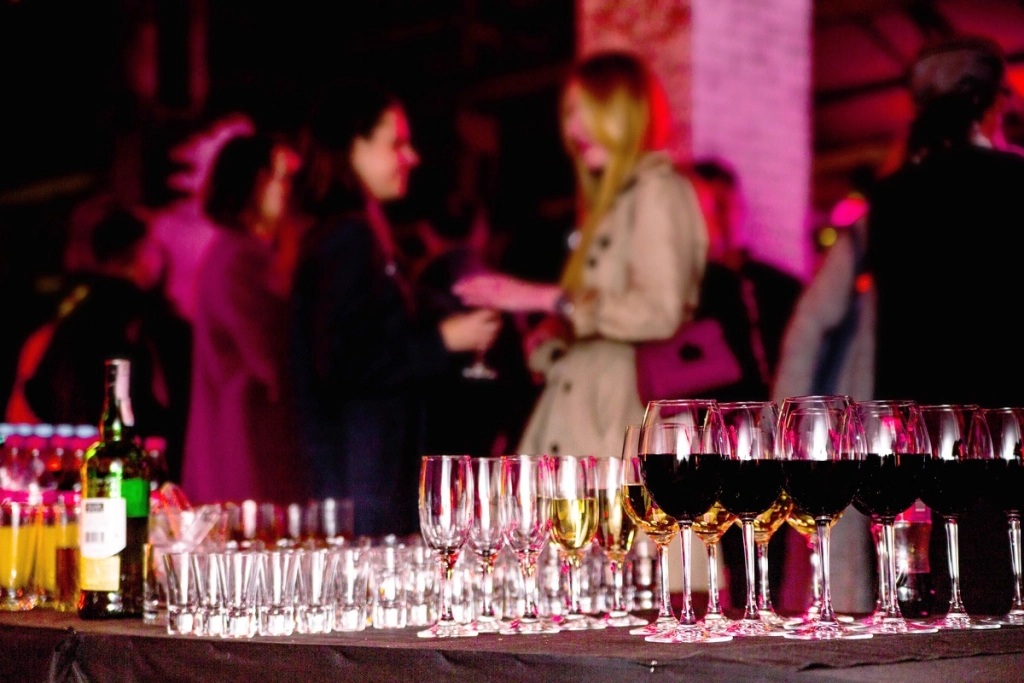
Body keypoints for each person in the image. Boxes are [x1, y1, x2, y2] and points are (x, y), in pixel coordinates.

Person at [454, 51, 708, 461]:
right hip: (591, 422)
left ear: (621, 112)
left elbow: (657, 313)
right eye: (569, 114)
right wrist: (557, 331)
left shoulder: (657, 191)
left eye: (583, 112)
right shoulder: (616, 201)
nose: (572, 129)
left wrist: (543, 298)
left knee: (613, 525)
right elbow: (616, 310)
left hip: (620, 425)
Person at [289, 85, 501, 537]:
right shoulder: (349, 237)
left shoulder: (355, 231)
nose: (412, 157)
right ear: (353, 146)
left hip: (366, 478)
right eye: (396, 143)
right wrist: (445, 340)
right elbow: (344, 362)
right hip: (363, 483)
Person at [867, 35, 1024, 616]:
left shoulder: (891, 197)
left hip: (917, 428)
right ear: (993, 103)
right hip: (1008, 424)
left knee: (930, 609)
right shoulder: (1014, 185)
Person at [180, 133, 310, 506]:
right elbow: (273, 361)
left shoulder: (234, 254)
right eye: (280, 178)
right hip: (247, 460)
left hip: (238, 456)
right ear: (252, 183)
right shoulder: (242, 260)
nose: (289, 191)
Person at [22, 199, 192, 475]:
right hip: (135, 469)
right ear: (136, 252)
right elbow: (169, 403)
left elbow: (38, 393)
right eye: (154, 246)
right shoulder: (149, 320)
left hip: (77, 465)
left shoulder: (74, 316)